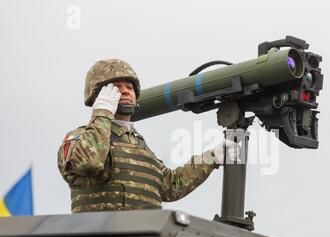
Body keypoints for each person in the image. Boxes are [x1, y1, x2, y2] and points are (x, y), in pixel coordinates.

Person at [57, 59, 237, 213]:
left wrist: (211, 157)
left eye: (129, 87)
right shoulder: (79, 138)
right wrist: (102, 112)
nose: (126, 91)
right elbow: (89, 162)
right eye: (116, 88)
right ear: (98, 95)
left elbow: (171, 186)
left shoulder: (139, 146)